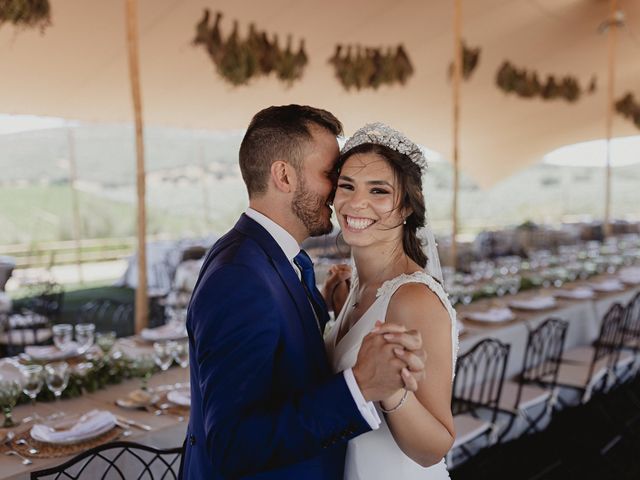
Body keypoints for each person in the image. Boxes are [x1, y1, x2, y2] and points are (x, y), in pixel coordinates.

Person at [180, 106, 427, 479]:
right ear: (284, 175)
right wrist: (358, 386)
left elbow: (282, 368)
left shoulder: (266, 256)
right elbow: (231, 444)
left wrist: (331, 314)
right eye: (331, 175)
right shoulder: (240, 276)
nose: (339, 192)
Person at [323, 122, 458, 479]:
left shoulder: (414, 299)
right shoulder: (359, 288)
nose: (356, 202)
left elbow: (435, 447)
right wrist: (338, 313)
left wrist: (393, 391)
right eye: (346, 186)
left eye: (379, 191)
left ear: (405, 209)